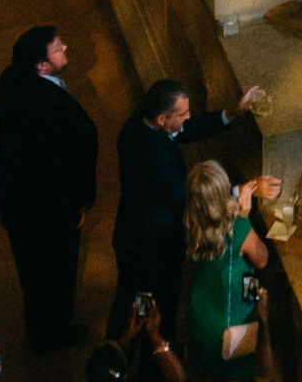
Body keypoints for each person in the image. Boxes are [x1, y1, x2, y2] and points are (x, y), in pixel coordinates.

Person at [107, 77, 266, 344]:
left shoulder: (141, 122)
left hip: (131, 235)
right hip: (152, 250)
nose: (188, 117)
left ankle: (121, 349)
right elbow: (195, 198)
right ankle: (154, 354)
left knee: (131, 297)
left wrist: (232, 111)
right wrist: (245, 190)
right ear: (161, 119)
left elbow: (186, 129)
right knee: (154, 301)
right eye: (182, 113)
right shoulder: (157, 162)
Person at [0, 23, 99, 353]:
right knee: (56, 271)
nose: (65, 48)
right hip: (49, 210)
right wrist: (79, 203)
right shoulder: (50, 107)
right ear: (41, 65)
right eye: (57, 47)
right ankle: (52, 332)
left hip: (18, 201)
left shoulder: (10, 80)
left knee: (32, 271)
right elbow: (69, 160)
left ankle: (39, 322)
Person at [183, 162, 271, 382]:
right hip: (233, 320)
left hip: (204, 313)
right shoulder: (238, 228)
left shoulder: (190, 223)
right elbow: (262, 259)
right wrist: (244, 217)